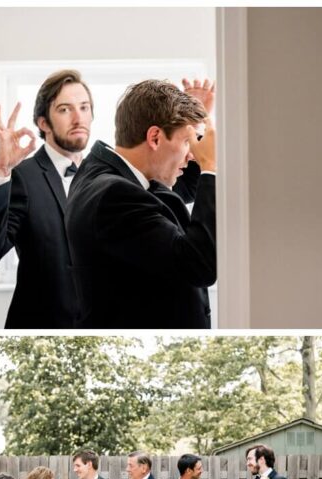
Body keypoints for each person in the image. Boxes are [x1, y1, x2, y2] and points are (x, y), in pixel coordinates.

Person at [65, 78, 217, 328]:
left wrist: (191, 127)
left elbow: (183, 188)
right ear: (155, 137)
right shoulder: (115, 195)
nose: (192, 156)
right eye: (187, 143)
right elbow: (199, 266)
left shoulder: (103, 173)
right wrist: (210, 167)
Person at [0, 70, 92, 328]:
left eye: (84, 107)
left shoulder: (106, 174)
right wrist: (1, 171)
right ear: (43, 123)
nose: (78, 118)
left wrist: (197, 124)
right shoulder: (22, 177)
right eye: (65, 109)